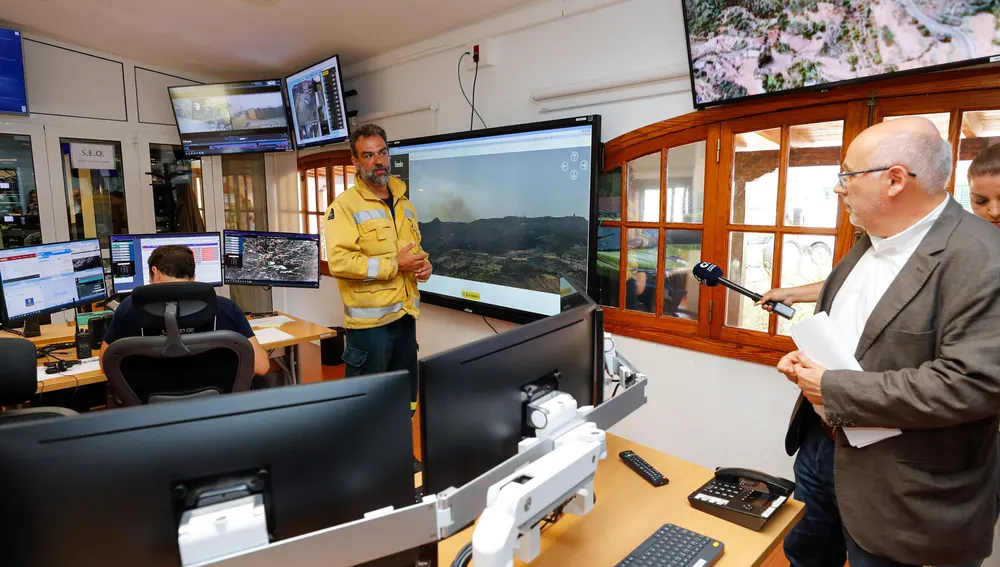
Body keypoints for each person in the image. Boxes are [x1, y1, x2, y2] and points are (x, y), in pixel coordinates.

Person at [778, 116, 1000, 567]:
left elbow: (972, 385)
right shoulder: (870, 241)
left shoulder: (983, 258)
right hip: (821, 451)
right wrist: (808, 363)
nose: (839, 189)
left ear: (894, 179)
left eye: (846, 175)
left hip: (904, 482)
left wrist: (833, 387)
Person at [323, 123, 431, 409]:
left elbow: (413, 250)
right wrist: (394, 265)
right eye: (369, 155)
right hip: (370, 328)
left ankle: (403, 453)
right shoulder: (344, 206)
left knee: (405, 397)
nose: (379, 161)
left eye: (382, 153)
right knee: (367, 404)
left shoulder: (405, 203)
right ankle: (365, 455)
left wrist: (424, 265)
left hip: (405, 318)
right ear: (355, 162)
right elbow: (340, 262)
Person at [101, 244, 270, 377]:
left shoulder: (129, 308)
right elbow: (262, 367)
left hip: (152, 409)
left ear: (155, 273)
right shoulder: (226, 308)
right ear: (194, 276)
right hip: (213, 407)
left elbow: (105, 363)